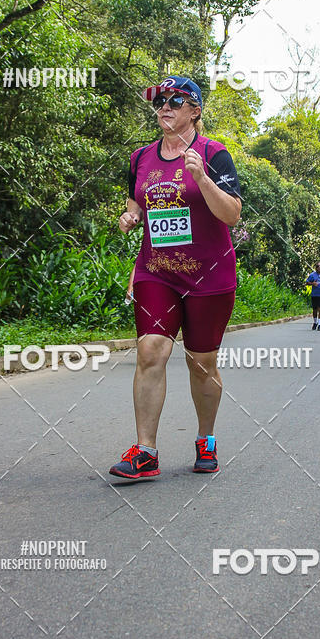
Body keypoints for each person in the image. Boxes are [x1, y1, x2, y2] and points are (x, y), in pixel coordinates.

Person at [110, 76, 242, 481]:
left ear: (195, 111)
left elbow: (232, 214)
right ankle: (146, 451)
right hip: (157, 273)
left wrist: (202, 179)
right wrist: (129, 217)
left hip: (208, 276)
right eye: (159, 101)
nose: (164, 107)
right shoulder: (140, 158)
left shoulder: (214, 155)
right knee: (151, 351)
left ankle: (206, 439)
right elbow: (136, 202)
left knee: (201, 364)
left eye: (175, 101)